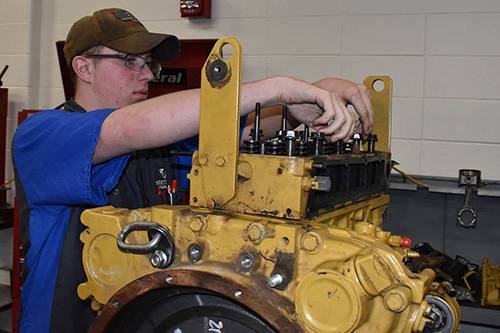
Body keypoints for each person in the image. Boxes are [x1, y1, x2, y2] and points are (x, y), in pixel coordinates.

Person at [12, 8, 374, 333]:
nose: (147, 74)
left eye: (149, 63)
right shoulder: (42, 134)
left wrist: (305, 101)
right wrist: (277, 88)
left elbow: (236, 131)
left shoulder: (161, 142)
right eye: (129, 61)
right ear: (84, 67)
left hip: (141, 317)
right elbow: (127, 129)